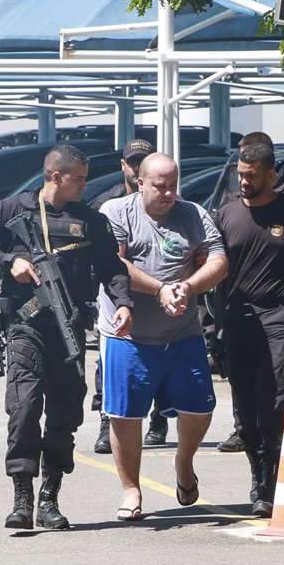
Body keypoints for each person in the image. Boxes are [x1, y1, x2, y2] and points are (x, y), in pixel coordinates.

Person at [0, 145, 133, 532]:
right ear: (56, 177)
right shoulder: (12, 209)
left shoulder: (89, 220)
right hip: (26, 328)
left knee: (64, 415)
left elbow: (111, 267)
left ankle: (49, 497)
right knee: (23, 410)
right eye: (79, 179)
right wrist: (11, 261)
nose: (85, 186)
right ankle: (21, 496)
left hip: (68, 329)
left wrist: (124, 303)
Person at [98, 152, 227, 520]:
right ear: (140, 183)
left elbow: (218, 261)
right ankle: (131, 489)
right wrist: (159, 289)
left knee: (200, 410)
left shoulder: (193, 214)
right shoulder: (116, 212)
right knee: (125, 416)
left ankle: (183, 461)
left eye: (173, 185)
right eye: (159, 186)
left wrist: (187, 287)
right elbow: (113, 262)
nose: (168, 193)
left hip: (182, 333)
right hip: (127, 335)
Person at [216, 141, 284, 517]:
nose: (244, 181)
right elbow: (215, 271)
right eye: (240, 174)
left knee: (274, 399)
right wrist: (214, 327)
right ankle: (258, 473)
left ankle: (270, 483)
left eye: (252, 176)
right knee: (245, 407)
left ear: (271, 175)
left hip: (279, 317)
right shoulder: (226, 214)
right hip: (238, 319)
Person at [89, 139, 170, 454]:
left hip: (157, 298)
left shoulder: (167, 202)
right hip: (115, 299)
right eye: (133, 162)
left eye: (143, 161)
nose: (137, 168)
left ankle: (159, 419)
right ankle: (106, 423)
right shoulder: (107, 204)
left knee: (160, 359)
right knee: (109, 365)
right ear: (123, 166)